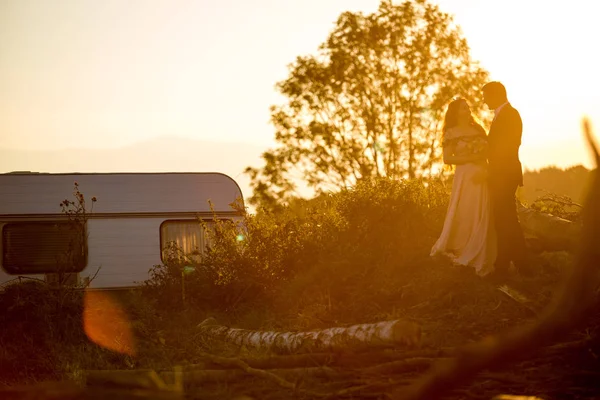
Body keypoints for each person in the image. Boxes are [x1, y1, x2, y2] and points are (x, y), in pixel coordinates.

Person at [430, 98, 496, 277]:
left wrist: (486, 169)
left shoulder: (478, 129)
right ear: (455, 113)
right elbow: (447, 159)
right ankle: (462, 247)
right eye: (463, 108)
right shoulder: (451, 133)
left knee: (481, 211)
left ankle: (479, 248)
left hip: (481, 175)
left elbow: (489, 152)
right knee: (465, 211)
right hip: (465, 177)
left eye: (468, 108)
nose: (467, 111)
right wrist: (470, 159)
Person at [482, 81, 533, 280]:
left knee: (505, 221)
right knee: (506, 220)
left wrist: (486, 156)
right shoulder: (502, 115)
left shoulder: (510, 115)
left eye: (485, 96)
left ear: (495, 95)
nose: (483, 101)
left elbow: (508, 145)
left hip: (504, 174)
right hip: (501, 174)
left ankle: (506, 268)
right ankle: (520, 266)